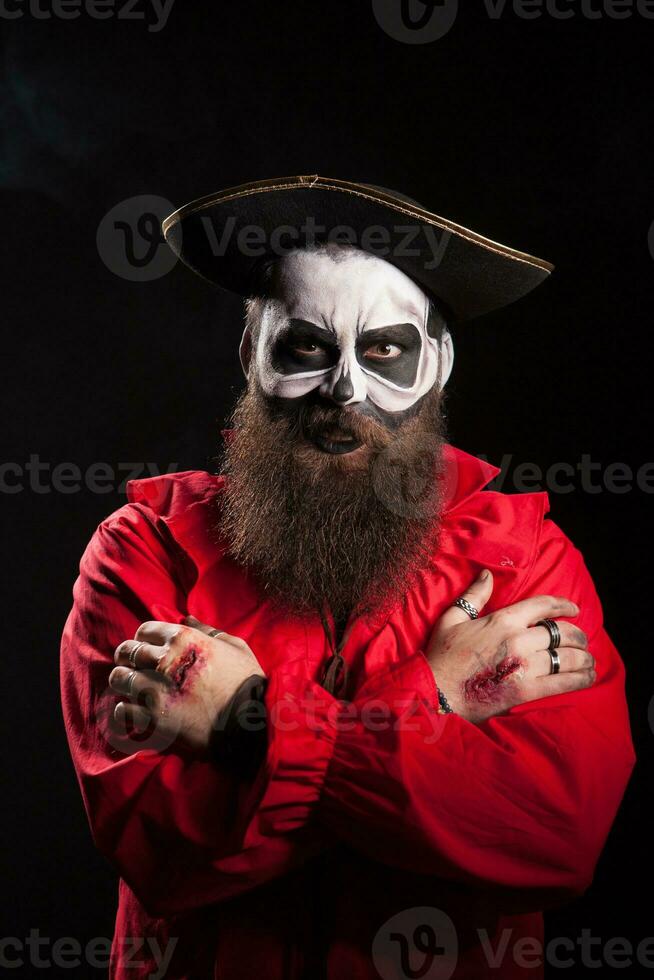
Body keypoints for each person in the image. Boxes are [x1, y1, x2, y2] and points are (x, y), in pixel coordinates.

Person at [60, 176, 635, 979]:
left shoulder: (523, 556)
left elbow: (551, 839)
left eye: (385, 351)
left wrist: (249, 725)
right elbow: (158, 847)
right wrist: (436, 700)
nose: (343, 390)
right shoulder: (143, 553)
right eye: (305, 348)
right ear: (251, 355)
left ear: (437, 364)